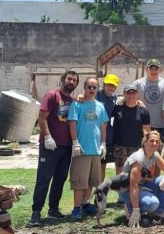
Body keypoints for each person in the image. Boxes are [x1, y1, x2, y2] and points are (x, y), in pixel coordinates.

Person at [30, 69, 79, 225]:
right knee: (44, 178)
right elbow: (42, 117)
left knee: (60, 179)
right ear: (63, 79)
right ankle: (36, 212)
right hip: (50, 146)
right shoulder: (52, 96)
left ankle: (53, 209)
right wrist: (47, 137)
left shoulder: (73, 101)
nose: (71, 82)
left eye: (74, 80)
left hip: (65, 147)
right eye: (69, 79)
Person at [68, 76, 109, 220]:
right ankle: (76, 208)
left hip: (96, 151)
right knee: (79, 181)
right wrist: (75, 142)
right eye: (89, 87)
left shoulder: (100, 106)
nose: (92, 89)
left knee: (91, 181)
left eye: (94, 87)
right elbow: (72, 124)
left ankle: (85, 205)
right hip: (82, 150)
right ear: (84, 88)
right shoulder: (77, 105)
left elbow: (103, 127)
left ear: (97, 89)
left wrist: (103, 144)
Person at [119, 130, 164, 228]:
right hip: (128, 190)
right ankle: (130, 207)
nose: (155, 143)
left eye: (157, 141)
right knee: (153, 203)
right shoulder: (138, 159)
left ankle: (157, 212)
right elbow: (133, 185)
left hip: (144, 185)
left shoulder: (154, 154)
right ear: (144, 142)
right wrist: (136, 209)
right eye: (152, 141)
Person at [112, 85, 151, 173]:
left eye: (133, 93)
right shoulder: (117, 107)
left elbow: (147, 130)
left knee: (135, 170)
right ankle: (121, 187)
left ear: (137, 94)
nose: (131, 95)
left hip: (136, 146)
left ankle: (133, 187)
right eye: (128, 93)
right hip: (119, 145)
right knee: (120, 171)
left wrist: (147, 145)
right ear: (124, 94)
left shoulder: (143, 110)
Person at [131, 59, 164, 140]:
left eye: (156, 69)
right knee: (143, 150)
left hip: (161, 125)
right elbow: (128, 97)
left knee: (159, 150)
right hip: (142, 124)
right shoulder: (138, 84)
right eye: (151, 68)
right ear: (146, 69)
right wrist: (136, 101)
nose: (153, 71)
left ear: (160, 70)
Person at [97, 73, 119, 180]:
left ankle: (100, 193)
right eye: (108, 85)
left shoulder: (115, 97)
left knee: (102, 165)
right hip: (94, 134)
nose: (111, 87)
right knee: (92, 166)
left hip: (107, 136)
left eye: (113, 86)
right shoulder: (96, 94)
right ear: (103, 84)